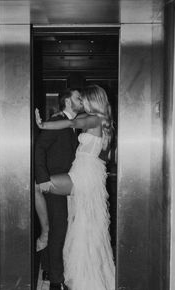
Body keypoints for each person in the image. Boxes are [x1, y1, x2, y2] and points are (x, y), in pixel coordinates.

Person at [35, 85, 116, 290]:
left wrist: (43, 124)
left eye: (85, 99)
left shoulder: (94, 119)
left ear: (92, 101)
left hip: (83, 174)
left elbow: (71, 122)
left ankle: (44, 232)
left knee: (38, 187)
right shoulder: (101, 120)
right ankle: (81, 276)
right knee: (83, 227)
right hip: (85, 172)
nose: (83, 103)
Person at [35, 88, 83, 290]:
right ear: (67, 101)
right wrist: (43, 178)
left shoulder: (74, 124)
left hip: (68, 184)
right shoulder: (57, 120)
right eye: (78, 97)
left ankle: (48, 268)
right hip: (54, 184)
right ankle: (55, 281)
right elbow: (39, 149)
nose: (81, 100)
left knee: (57, 230)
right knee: (58, 231)